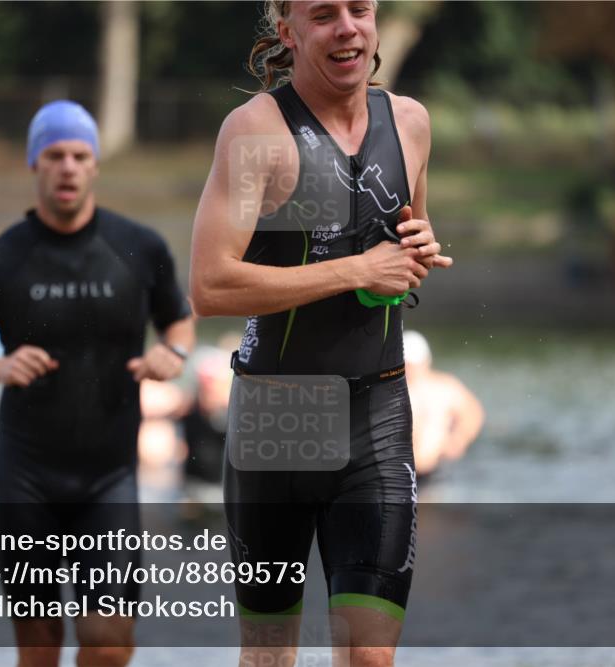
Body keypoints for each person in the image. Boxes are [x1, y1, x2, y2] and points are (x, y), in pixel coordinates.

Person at [189, 2, 451, 665]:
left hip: (378, 415)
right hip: (277, 419)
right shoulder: (255, 133)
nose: (347, 28)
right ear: (289, 31)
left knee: (369, 655)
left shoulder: (411, 124)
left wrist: (418, 247)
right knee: (270, 653)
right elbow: (210, 285)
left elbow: (408, 244)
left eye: (359, 9)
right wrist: (356, 268)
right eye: (324, 13)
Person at [0, 100, 194, 667]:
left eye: (79, 155)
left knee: (108, 642)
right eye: (54, 155)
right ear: (35, 164)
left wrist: (173, 352)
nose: (68, 167)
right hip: (23, 480)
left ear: (95, 164)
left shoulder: (138, 248)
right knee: (40, 647)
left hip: (109, 479)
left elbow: (179, 317)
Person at [403, 330, 484, 478]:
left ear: (426, 361)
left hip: (434, 469)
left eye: (414, 364)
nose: (411, 369)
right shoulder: (391, 389)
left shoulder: (445, 387)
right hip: (397, 470)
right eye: (407, 364)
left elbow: (472, 412)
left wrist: (459, 439)